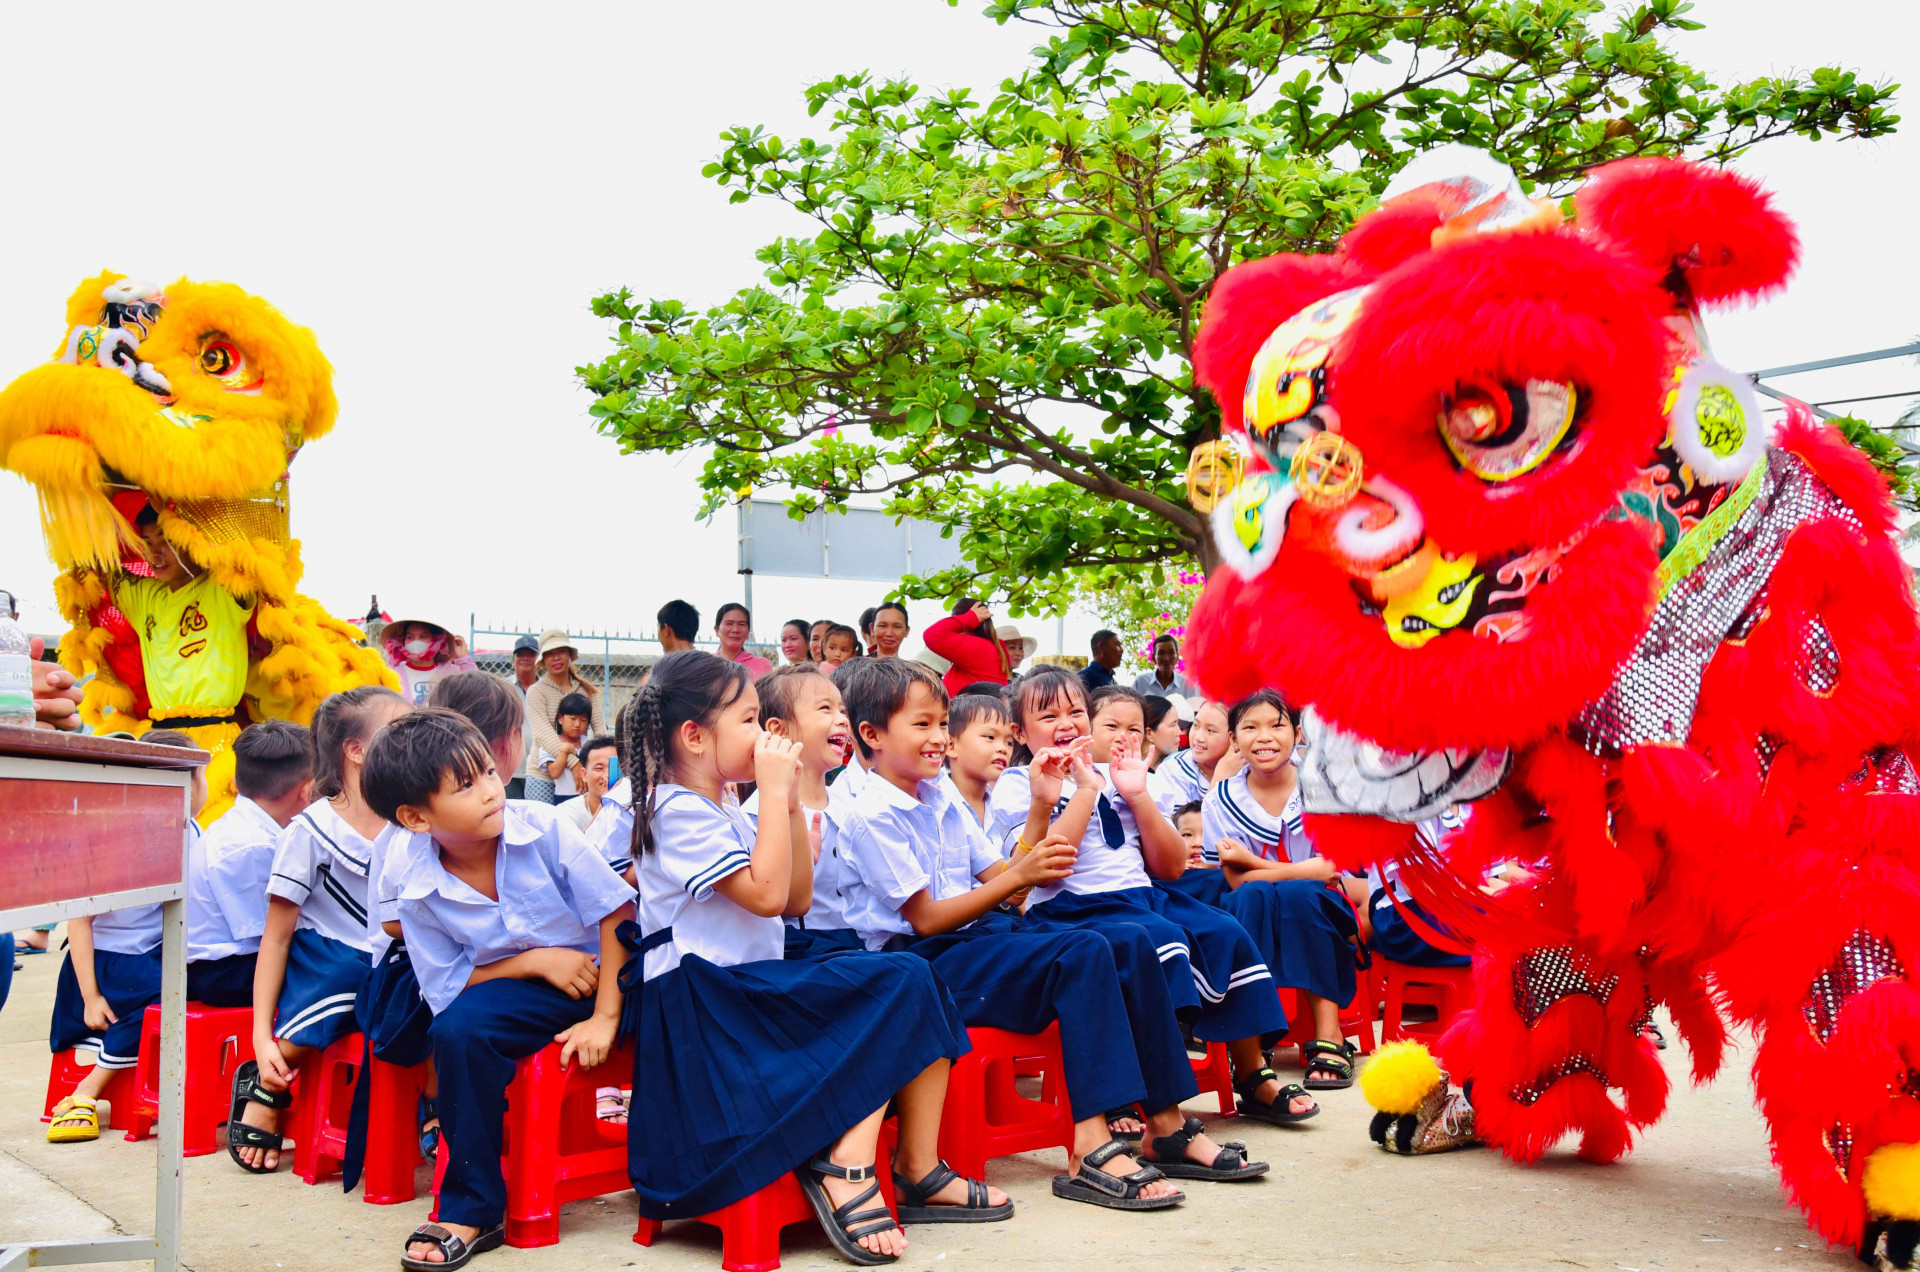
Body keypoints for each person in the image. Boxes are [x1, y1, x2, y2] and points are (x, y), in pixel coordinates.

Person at [839, 660, 1254, 1202]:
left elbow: (1009, 889)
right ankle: (1089, 1146)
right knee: (1083, 950)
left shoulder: (938, 797)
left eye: (942, 724)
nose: (939, 738)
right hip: (920, 959)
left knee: (1130, 940)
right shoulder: (872, 813)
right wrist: (1024, 870)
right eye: (923, 725)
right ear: (870, 735)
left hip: (979, 938)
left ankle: (1167, 1127)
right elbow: (926, 919)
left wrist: (1054, 802)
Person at [623, 650, 977, 1263]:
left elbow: (796, 900)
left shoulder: (726, 806)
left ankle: (895, 1163)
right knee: (898, 983)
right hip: (706, 1002)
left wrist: (785, 806)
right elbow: (764, 897)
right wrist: (774, 789)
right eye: (750, 722)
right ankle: (849, 1165)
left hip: (747, 988)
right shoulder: (674, 809)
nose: (764, 738)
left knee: (913, 978)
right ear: (694, 737)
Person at [363, 709, 635, 1269]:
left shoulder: (544, 826)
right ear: (416, 817)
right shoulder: (415, 884)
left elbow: (618, 913)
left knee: (683, 1003)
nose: (491, 791)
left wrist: (605, 1015)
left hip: (614, 972)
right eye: (466, 786)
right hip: (534, 988)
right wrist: (536, 962)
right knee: (457, 1031)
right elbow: (450, 984)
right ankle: (472, 1207)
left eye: (488, 772)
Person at [987, 670, 1316, 1129]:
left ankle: (1251, 1073)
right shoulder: (1020, 783)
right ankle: (1134, 1090)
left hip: (1142, 894)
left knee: (1223, 931)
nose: (1066, 723)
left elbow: (1171, 868)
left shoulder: (1123, 773)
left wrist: (1137, 796)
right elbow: (1051, 864)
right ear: (1020, 732)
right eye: (1048, 715)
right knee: (1157, 941)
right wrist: (1084, 790)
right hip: (1072, 909)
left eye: (1075, 712)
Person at [228, 686, 410, 1174]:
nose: (413, 739)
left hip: (389, 953)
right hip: (325, 958)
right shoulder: (308, 832)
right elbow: (277, 936)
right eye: (398, 730)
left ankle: (427, 1105)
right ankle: (269, 1075)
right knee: (354, 979)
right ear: (354, 751)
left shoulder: (414, 821)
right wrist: (260, 1036)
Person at [1200, 689, 1367, 1094]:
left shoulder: (1324, 786)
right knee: (1252, 899)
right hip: (1255, 903)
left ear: (1297, 733)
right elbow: (1237, 882)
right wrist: (1297, 873)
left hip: (1326, 904)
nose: (1265, 737)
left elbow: (1333, 868)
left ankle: (1330, 1036)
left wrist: (1258, 865)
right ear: (1234, 741)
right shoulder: (1221, 799)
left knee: (1301, 896)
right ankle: (1252, 1045)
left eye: (1276, 726)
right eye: (1250, 727)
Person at [45, 730, 205, 1143]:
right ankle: (88, 1090)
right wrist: (91, 996)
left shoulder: (192, 831)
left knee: (203, 982)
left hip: (149, 956)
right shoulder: (118, 840)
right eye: (200, 778)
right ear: (181, 784)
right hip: (106, 964)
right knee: (174, 993)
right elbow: (78, 922)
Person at [187, 721, 314, 1008]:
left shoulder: (248, 828)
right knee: (344, 971)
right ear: (308, 789)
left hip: (232, 965)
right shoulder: (252, 845)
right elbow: (271, 935)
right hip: (227, 973)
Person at [524, 632, 607, 804]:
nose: (556, 658)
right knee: (544, 827)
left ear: (570, 655)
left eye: (561, 651)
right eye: (549, 654)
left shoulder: (587, 690)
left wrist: (598, 764)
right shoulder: (536, 691)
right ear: (543, 659)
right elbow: (543, 734)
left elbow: (600, 730)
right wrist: (573, 762)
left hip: (580, 776)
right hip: (544, 775)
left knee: (579, 826)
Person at [1146, 698, 1238, 819]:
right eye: (1196, 725)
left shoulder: (1248, 771)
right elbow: (1183, 829)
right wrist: (1219, 778)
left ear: (1234, 738)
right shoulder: (1174, 770)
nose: (1198, 737)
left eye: (1211, 730)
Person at [942, 691, 1015, 829]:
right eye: (990, 737)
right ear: (951, 746)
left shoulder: (1005, 806)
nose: (1003, 749)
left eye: (1009, 743)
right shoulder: (936, 803)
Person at [381, 615, 478, 707]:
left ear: (437, 639)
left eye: (423, 636)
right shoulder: (392, 673)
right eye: (410, 637)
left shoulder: (451, 672)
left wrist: (464, 658)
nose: (416, 642)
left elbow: (475, 691)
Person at [922, 600, 1012, 697]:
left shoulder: (979, 648)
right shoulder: (986, 648)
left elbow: (932, 635)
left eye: (954, 621)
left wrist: (968, 619)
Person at [538, 692, 594, 804]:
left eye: (583, 720)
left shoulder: (589, 743)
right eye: (573, 719)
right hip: (563, 798)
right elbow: (554, 773)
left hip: (587, 797)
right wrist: (565, 750)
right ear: (560, 719)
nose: (577, 724)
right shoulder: (551, 744)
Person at [504, 635, 540, 799]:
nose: (525, 659)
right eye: (520, 654)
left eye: (530, 654)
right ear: (513, 660)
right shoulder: (502, 688)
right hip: (509, 766)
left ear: (538, 660)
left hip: (541, 768)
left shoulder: (546, 689)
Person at [562, 735, 621, 835]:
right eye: (599, 768)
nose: (607, 775)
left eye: (614, 768)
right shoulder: (568, 812)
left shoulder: (634, 810)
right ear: (584, 774)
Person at [715, 603, 774, 677]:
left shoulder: (762, 665)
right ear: (717, 630)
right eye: (729, 623)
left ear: (748, 632)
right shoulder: (708, 664)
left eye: (741, 624)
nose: (735, 629)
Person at [1142, 695, 1181, 771]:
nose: (1179, 732)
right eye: (1173, 725)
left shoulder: (1180, 767)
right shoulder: (1124, 771)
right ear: (1149, 733)